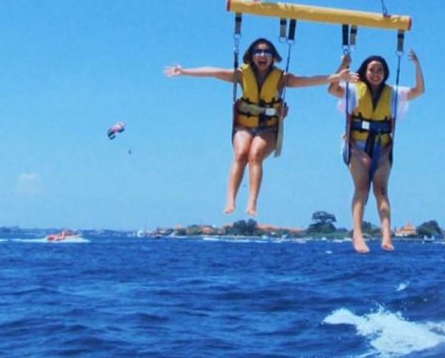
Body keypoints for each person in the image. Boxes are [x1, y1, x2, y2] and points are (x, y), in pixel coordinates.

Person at [165, 38, 345, 216]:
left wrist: (337, 77)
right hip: (244, 125)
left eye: (267, 51)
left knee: (255, 154)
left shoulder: (282, 78)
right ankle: (230, 200)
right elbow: (213, 72)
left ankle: (252, 202)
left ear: (273, 57)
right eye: (258, 51)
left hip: (269, 129)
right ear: (251, 56)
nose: (262, 55)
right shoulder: (241, 75)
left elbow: (309, 80)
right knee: (241, 154)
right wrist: (184, 71)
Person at [328, 49, 424, 253]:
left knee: (381, 190)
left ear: (385, 73)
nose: (375, 73)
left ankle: (386, 235)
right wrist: (343, 66)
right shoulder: (353, 89)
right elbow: (332, 89)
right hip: (356, 146)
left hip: (383, 148)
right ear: (365, 71)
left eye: (380, 70)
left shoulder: (393, 93)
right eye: (372, 69)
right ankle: (357, 235)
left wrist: (417, 65)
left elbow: (418, 91)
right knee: (362, 188)